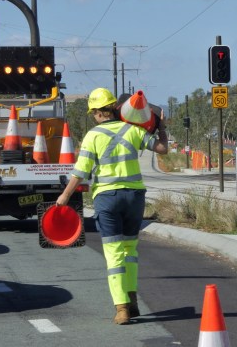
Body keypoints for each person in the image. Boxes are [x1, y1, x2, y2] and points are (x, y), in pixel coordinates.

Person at [56, 87, 168, 325]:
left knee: (114, 254)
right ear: (113, 109)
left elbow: (81, 172)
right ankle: (132, 299)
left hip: (107, 199)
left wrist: (65, 196)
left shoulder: (92, 136)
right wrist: (162, 128)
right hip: (134, 198)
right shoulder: (134, 130)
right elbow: (162, 149)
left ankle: (122, 309)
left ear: (97, 113)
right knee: (130, 252)